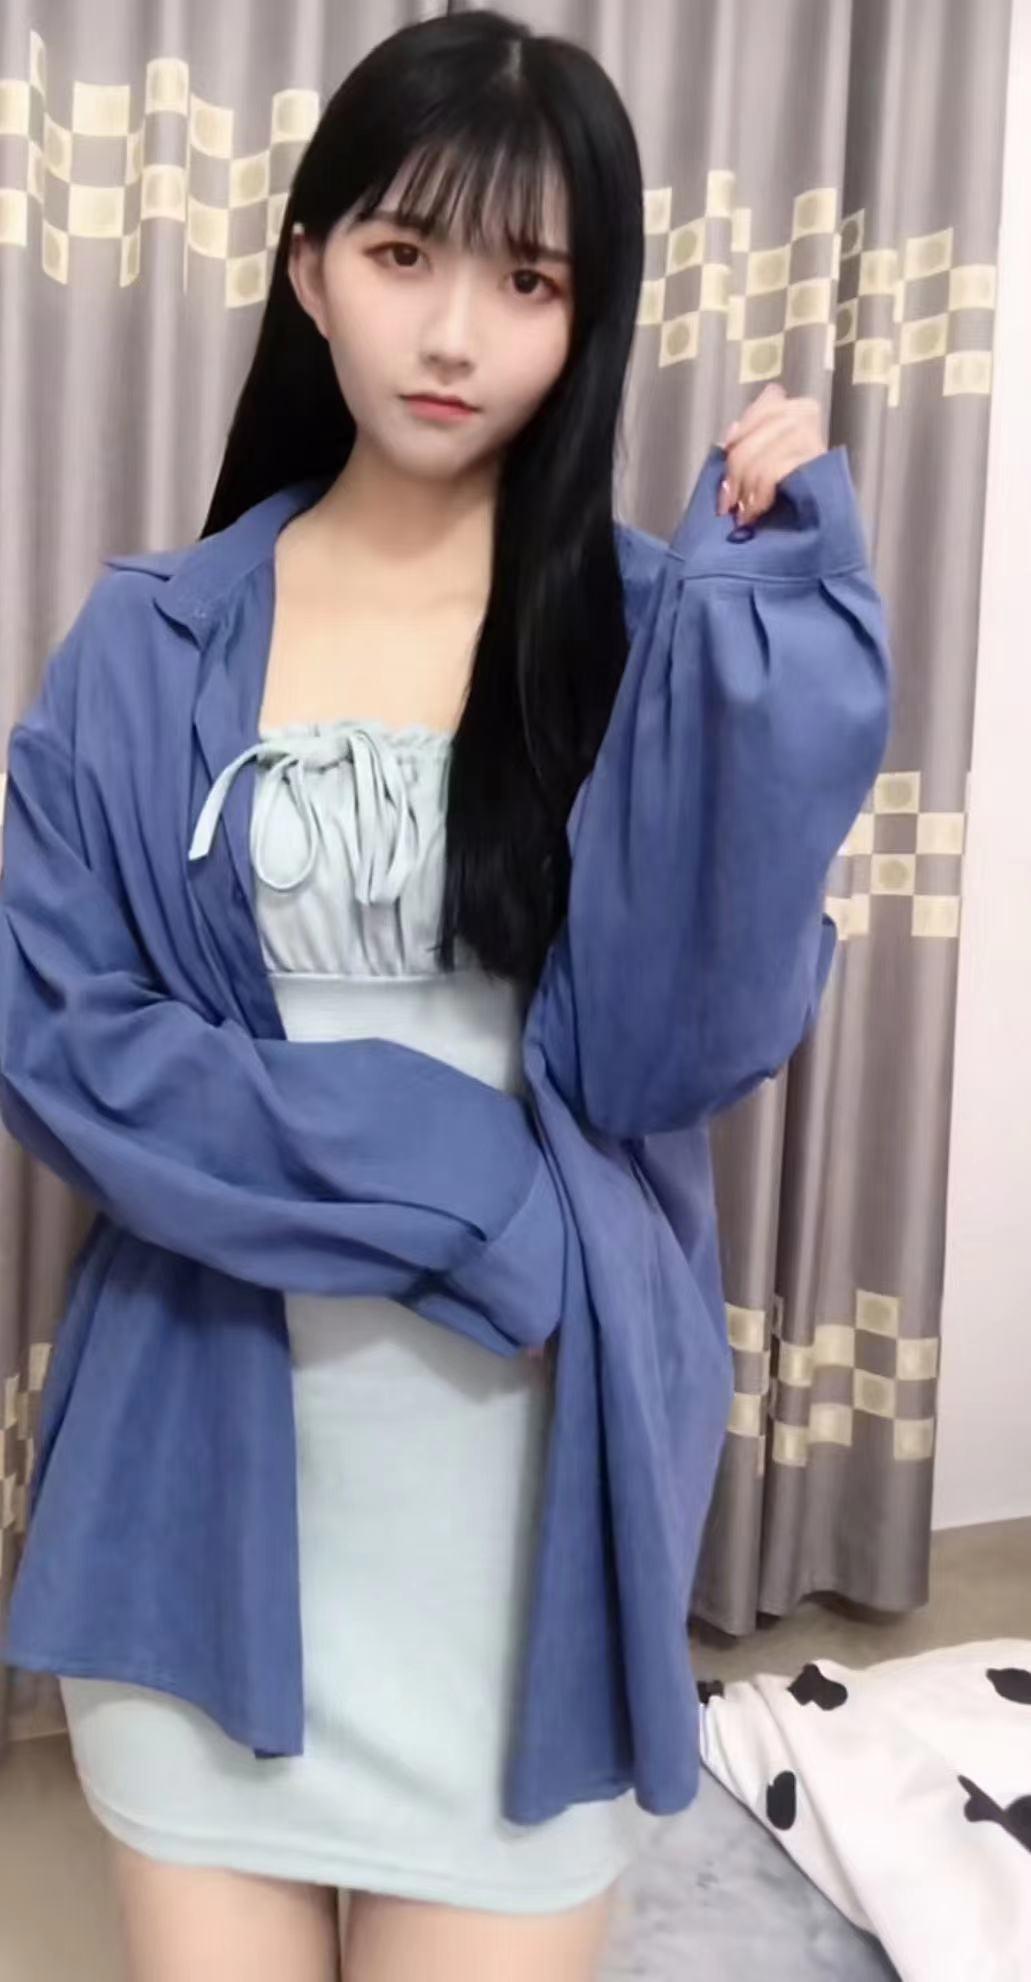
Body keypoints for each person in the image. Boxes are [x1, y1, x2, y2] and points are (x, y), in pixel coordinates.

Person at [0, 10, 891, 1981]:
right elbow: (59, 1034)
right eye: (406, 253)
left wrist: (770, 658)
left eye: (530, 280)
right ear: (311, 265)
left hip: (527, 1502)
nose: (457, 332)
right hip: (208, 1473)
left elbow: (676, 1048)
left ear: (590, 318)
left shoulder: (647, 634)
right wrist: (455, 1179)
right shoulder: (150, 643)